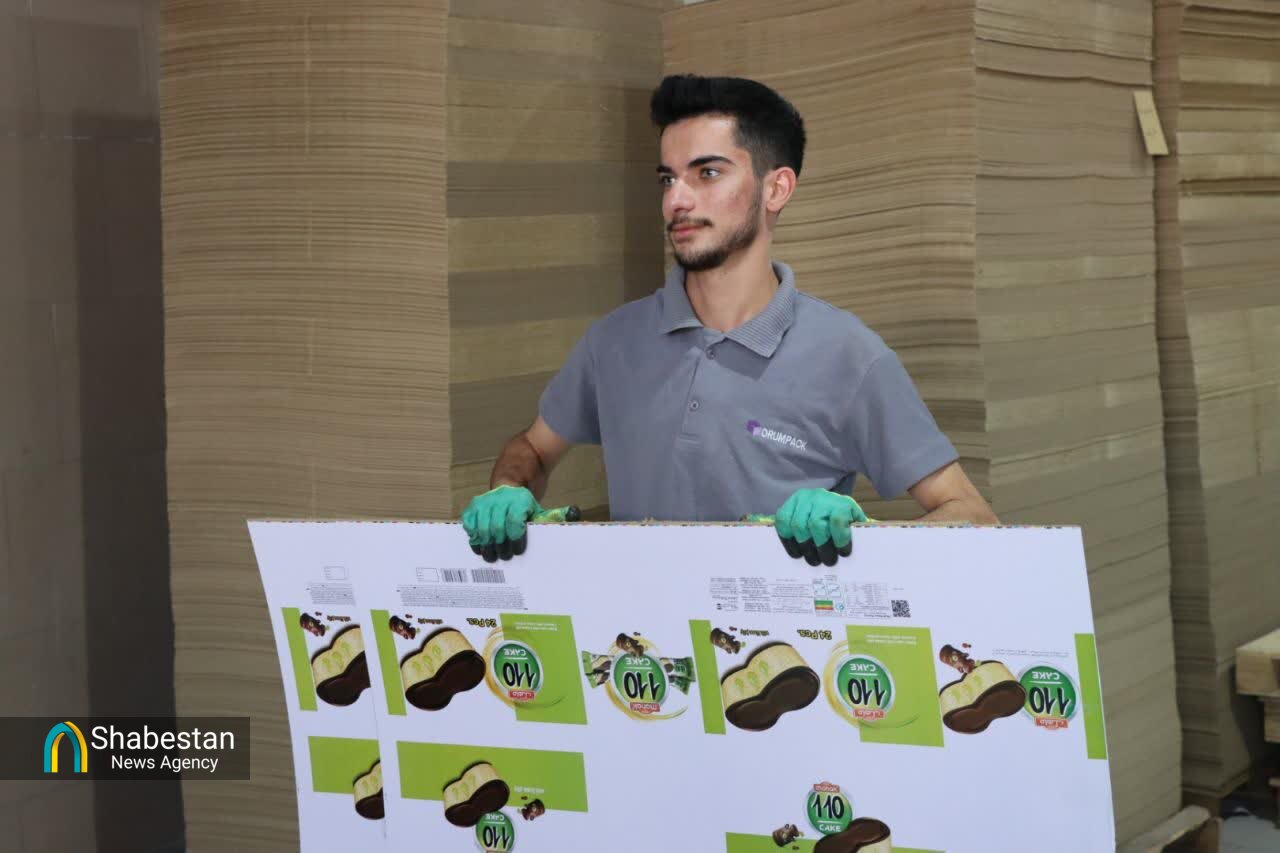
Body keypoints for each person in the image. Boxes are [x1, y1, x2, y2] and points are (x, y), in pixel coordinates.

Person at [461, 74, 997, 566]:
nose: (676, 200)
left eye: (708, 173)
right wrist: (509, 487)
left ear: (776, 188)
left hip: (778, 639)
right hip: (637, 637)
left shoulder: (850, 357)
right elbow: (532, 449)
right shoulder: (614, 341)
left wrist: (867, 535)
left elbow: (974, 517)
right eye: (667, 179)